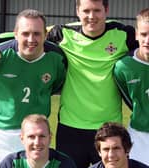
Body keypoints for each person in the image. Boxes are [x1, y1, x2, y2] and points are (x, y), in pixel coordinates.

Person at [47, 0, 138, 167]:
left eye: (97, 10)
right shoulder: (62, 33)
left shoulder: (123, 34)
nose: (91, 16)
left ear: (106, 10)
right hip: (70, 128)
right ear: (77, 11)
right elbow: (27, 31)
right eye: (86, 10)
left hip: (109, 130)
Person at [0, 9, 66, 167]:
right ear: (15, 34)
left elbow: (56, 86)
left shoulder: (56, 59)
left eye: (37, 33)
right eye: (25, 33)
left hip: (34, 136)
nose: (31, 39)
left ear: (45, 35)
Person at [114, 8, 149, 165]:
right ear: (136, 34)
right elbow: (131, 100)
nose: (147, 40)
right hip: (139, 134)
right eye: (143, 34)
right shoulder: (123, 67)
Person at [0, 114, 77, 168]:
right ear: (22, 139)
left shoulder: (64, 164)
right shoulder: (10, 164)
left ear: (50, 138)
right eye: (31, 137)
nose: (37, 142)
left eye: (42, 136)